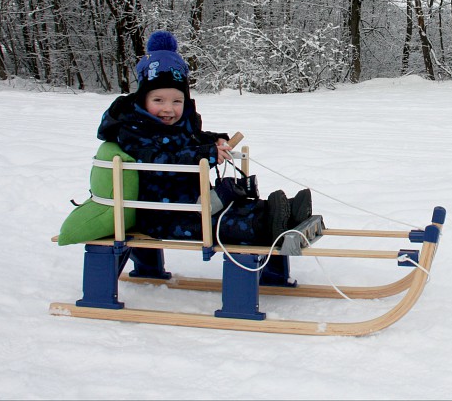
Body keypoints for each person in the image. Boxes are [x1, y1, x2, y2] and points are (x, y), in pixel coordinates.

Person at [97, 30, 310, 248]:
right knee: (227, 223)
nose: (168, 109)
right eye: (158, 100)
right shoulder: (134, 131)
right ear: (142, 100)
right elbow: (157, 162)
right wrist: (204, 154)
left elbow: (192, 138)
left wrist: (215, 140)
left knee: (234, 208)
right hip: (164, 215)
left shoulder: (179, 125)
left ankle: (284, 213)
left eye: (177, 101)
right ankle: (269, 223)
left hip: (195, 203)